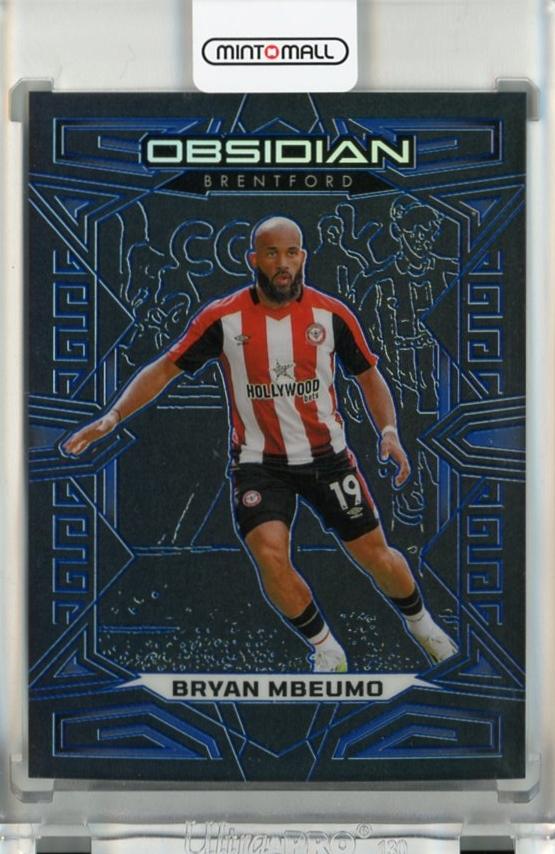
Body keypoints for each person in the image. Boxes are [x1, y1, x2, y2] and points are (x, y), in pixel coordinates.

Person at [63, 216, 458, 673]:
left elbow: (369, 376)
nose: (282, 263)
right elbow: (165, 368)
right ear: (254, 259)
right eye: (272, 253)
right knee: (270, 556)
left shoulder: (332, 314)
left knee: (375, 555)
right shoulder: (223, 318)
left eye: (291, 253)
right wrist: (113, 416)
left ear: (303, 258)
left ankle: (422, 625)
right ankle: (325, 647)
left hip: (328, 459)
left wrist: (388, 431)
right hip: (259, 464)